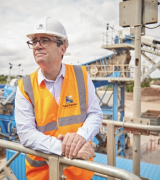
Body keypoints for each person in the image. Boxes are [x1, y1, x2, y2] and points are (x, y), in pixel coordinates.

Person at [15, 17, 103, 180]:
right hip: (43, 174)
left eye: (45, 40)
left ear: (63, 48)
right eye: (34, 41)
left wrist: (81, 136)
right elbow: (26, 133)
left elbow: (95, 114)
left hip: (79, 172)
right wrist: (63, 147)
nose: (37, 45)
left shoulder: (81, 76)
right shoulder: (25, 86)